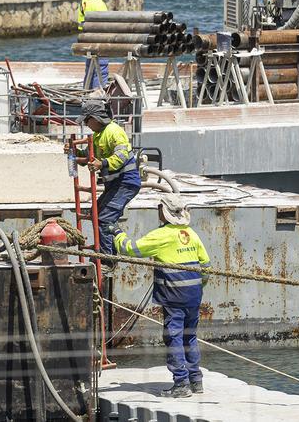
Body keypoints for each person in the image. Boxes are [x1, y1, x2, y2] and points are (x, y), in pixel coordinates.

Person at [114, 193, 209, 398]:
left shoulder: (162, 235)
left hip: (174, 295)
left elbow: (129, 249)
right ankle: (196, 380)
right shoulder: (190, 233)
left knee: (173, 336)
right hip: (194, 295)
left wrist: (115, 232)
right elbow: (206, 266)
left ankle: (181, 384)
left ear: (163, 212)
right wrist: (197, 288)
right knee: (189, 336)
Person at [71, 98, 139, 258]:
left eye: (87, 120)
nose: (86, 124)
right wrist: (74, 153)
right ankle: (109, 252)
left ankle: (107, 260)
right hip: (116, 184)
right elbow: (88, 157)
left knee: (104, 218)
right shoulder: (98, 135)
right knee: (99, 213)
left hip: (126, 182)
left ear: (95, 118)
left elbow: (121, 155)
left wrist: (102, 163)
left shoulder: (114, 131)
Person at [78, 0, 109, 88]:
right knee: (101, 69)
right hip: (99, 42)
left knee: (90, 68)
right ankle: (97, 95)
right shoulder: (99, 3)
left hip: (86, 41)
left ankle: (87, 91)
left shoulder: (83, 2)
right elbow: (106, 26)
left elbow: (80, 24)